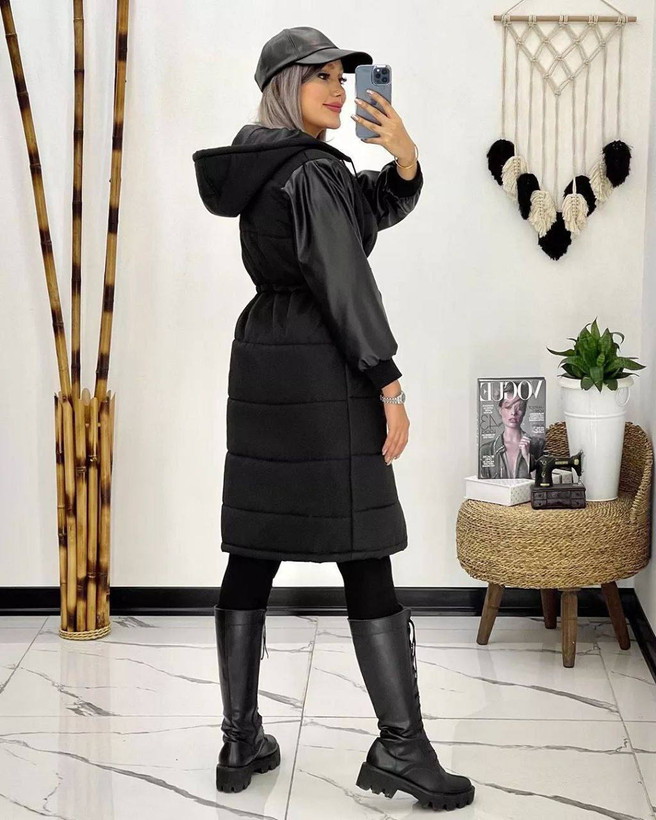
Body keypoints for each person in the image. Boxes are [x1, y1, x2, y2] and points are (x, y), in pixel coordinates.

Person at [192, 26, 474, 812]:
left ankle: (240, 739)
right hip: (322, 362)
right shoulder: (313, 169)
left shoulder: (272, 164)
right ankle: (402, 749)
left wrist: (405, 160)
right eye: (319, 76)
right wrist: (387, 382)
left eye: (342, 78)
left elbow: (356, 223)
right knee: (364, 544)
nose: (338, 89)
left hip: (263, 357)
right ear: (286, 86)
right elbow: (344, 277)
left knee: (253, 548)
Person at [480, 382, 546, 479]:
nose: (513, 413)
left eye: (519, 408)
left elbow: (543, 482)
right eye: (508, 407)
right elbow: (483, 485)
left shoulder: (539, 445)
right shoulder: (486, 450)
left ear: (524, 411)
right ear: (500, 410)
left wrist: (528, 457)